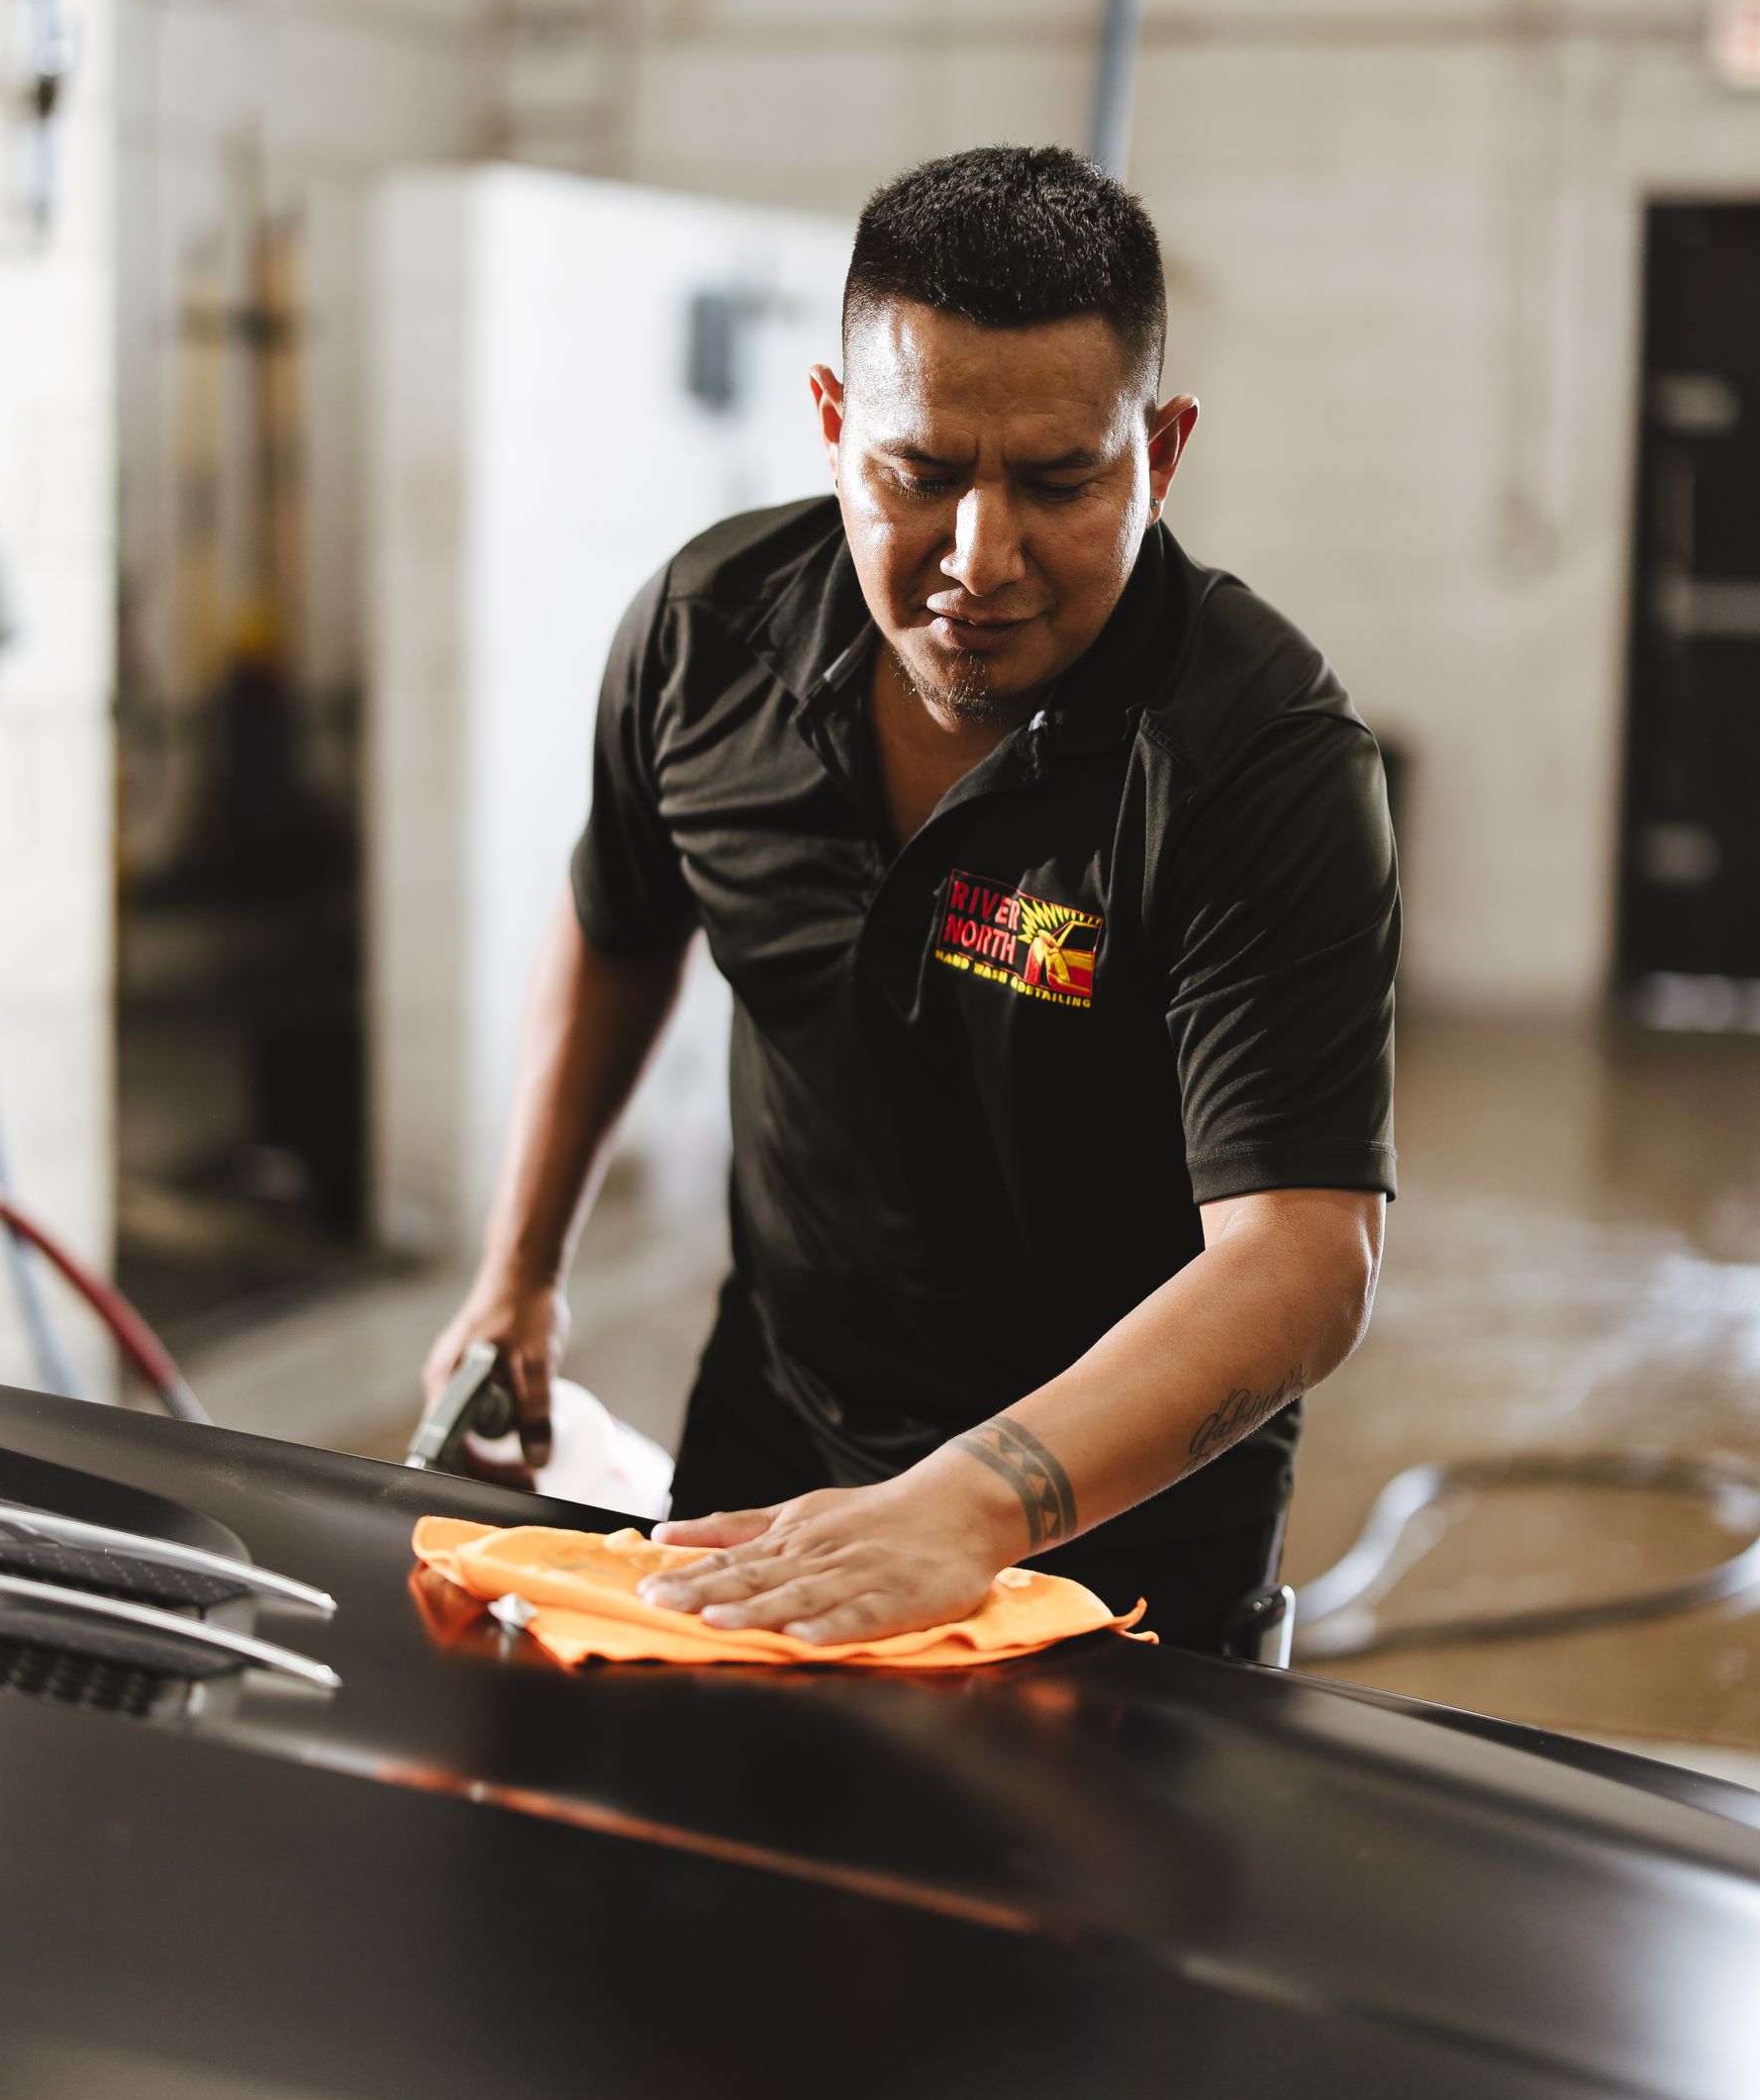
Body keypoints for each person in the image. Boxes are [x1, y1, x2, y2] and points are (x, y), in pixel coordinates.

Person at [422, 144, 1396, 1657]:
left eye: (1059, 482)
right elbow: (619, 924)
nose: (979, 558)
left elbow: (1304, 1260)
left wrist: (975, 1503)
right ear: (831, 425)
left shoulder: (1257, 760)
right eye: (921, 474)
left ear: (1162, 453)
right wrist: (518, 1274)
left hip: (1121, 1547)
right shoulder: (705, 643)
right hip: (771, 1462)